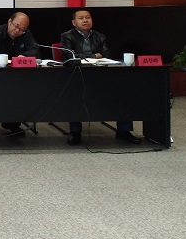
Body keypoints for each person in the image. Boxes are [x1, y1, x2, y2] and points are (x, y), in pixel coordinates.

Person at [60, 8, 142, 145]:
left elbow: (107, 56)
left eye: (88, 17)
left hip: (99, 74)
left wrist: (87, 56)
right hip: (76, 75)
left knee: (123, 91)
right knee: (74, 94)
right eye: (81, 18)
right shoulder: (67, 36)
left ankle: (124, 131)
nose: (85, 20)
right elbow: (69, 56)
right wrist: (93, 55)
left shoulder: (100, 36)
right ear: (74, 22)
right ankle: (75, 132)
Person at [0, 11, 39, 135]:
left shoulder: (27, 34)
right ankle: (7, 120)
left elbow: (35, 50)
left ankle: (12, 122)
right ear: (10, 21)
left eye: (22, 29)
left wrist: (25, 56)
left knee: (25, 90)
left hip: (19, 76)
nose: (17, 31)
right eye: (16, 26)